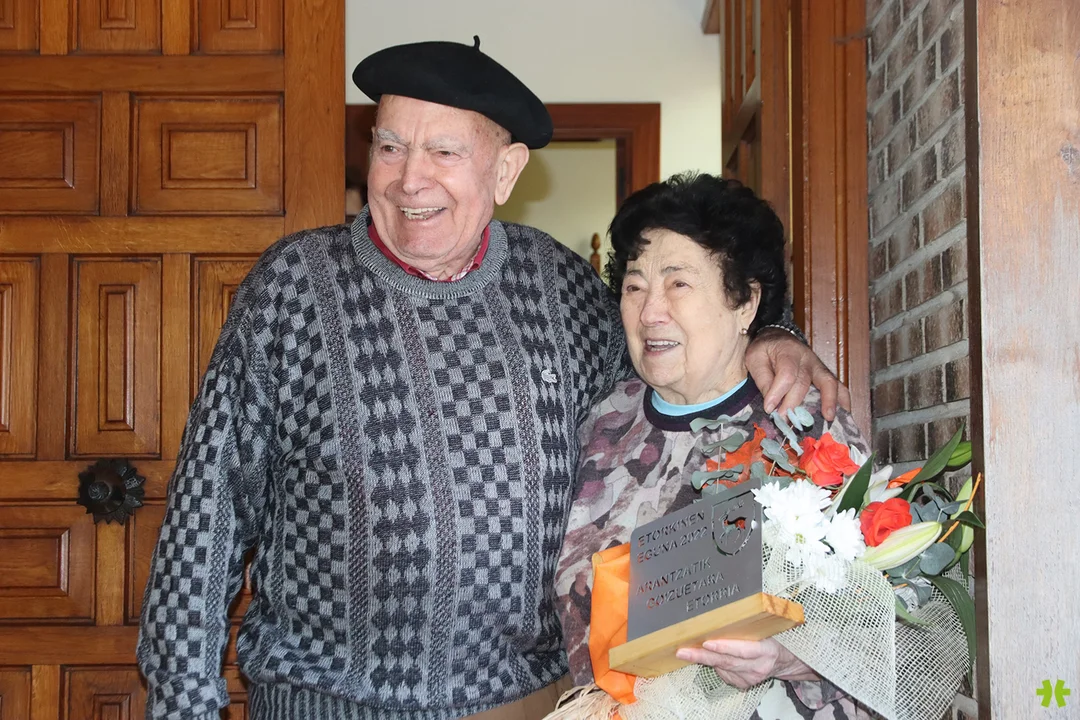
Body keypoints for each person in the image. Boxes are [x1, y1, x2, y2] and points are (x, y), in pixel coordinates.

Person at [137, 38, 845, 720]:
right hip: (324, 702)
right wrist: (182, 703)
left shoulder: (561, 287)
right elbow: (207, 510)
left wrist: (775, 335)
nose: (409, 179)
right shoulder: (294, 285)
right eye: (390, 146)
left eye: (444, 152)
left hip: (528, 702)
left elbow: (682, 353)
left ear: (506, 172)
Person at [554, 173, 874, 719]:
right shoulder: (603, 423)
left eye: (679, 284)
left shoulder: (800, 425)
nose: (650, 311)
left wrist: (789, 657)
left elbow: (890, 614)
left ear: (745, 303)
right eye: (634, 286)